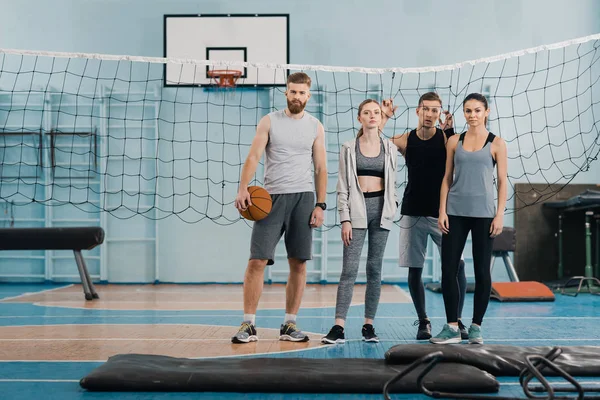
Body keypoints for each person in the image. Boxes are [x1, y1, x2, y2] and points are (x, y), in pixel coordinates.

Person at [232, 72, 327, 344]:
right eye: (292, 91)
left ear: (308, 96)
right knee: (256, 261)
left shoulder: (315, 126)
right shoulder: (269, 121)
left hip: (304, 198)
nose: (297, 96)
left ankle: (289, 324)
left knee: (298, 263)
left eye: (302, 93)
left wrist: (320, 204)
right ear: (286, 93)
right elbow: (253, 156)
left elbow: (320, 168)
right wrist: (243, 188)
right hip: (270, 198)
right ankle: (248, 324)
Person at [380, 93, 468, 341]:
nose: (430, 114)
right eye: (426, 109)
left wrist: (451, 131)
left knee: (457, 265)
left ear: (440, 114)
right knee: (414, 269)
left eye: (435, 110)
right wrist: (385, 116)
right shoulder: (407, 139)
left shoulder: (446, 139)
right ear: (418, 111)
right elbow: (377, 142)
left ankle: (457, 319)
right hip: (412, 212)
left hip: (443, 213)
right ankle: (423, 321)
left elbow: (461, 158)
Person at [431, 92, 507, 345]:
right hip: (455, 212)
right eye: (468, 111)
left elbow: (503, 183)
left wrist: (499, 214)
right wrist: (442, 210)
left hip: (484, 214)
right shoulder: (453, 141)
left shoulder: (497, 143)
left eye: (477, 110)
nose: (472, 115)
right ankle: (452, 326)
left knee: (482, 272)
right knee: (448, 269)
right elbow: (446, 177)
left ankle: (476, 326)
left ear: (487, 112)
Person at [321, 99, 398, 344]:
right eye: (367, 112)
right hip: (356, 211)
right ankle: (338, 327)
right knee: (349, 270)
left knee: (374, 270)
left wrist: (392, 208)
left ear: (380, 117)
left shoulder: (390, 147)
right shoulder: (348, 147)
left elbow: (392, 182)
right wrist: (345, 218)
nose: (372, 116)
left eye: (376, 112)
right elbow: (342, 186)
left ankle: (368, 326)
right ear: (359, 118)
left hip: (381, 211)